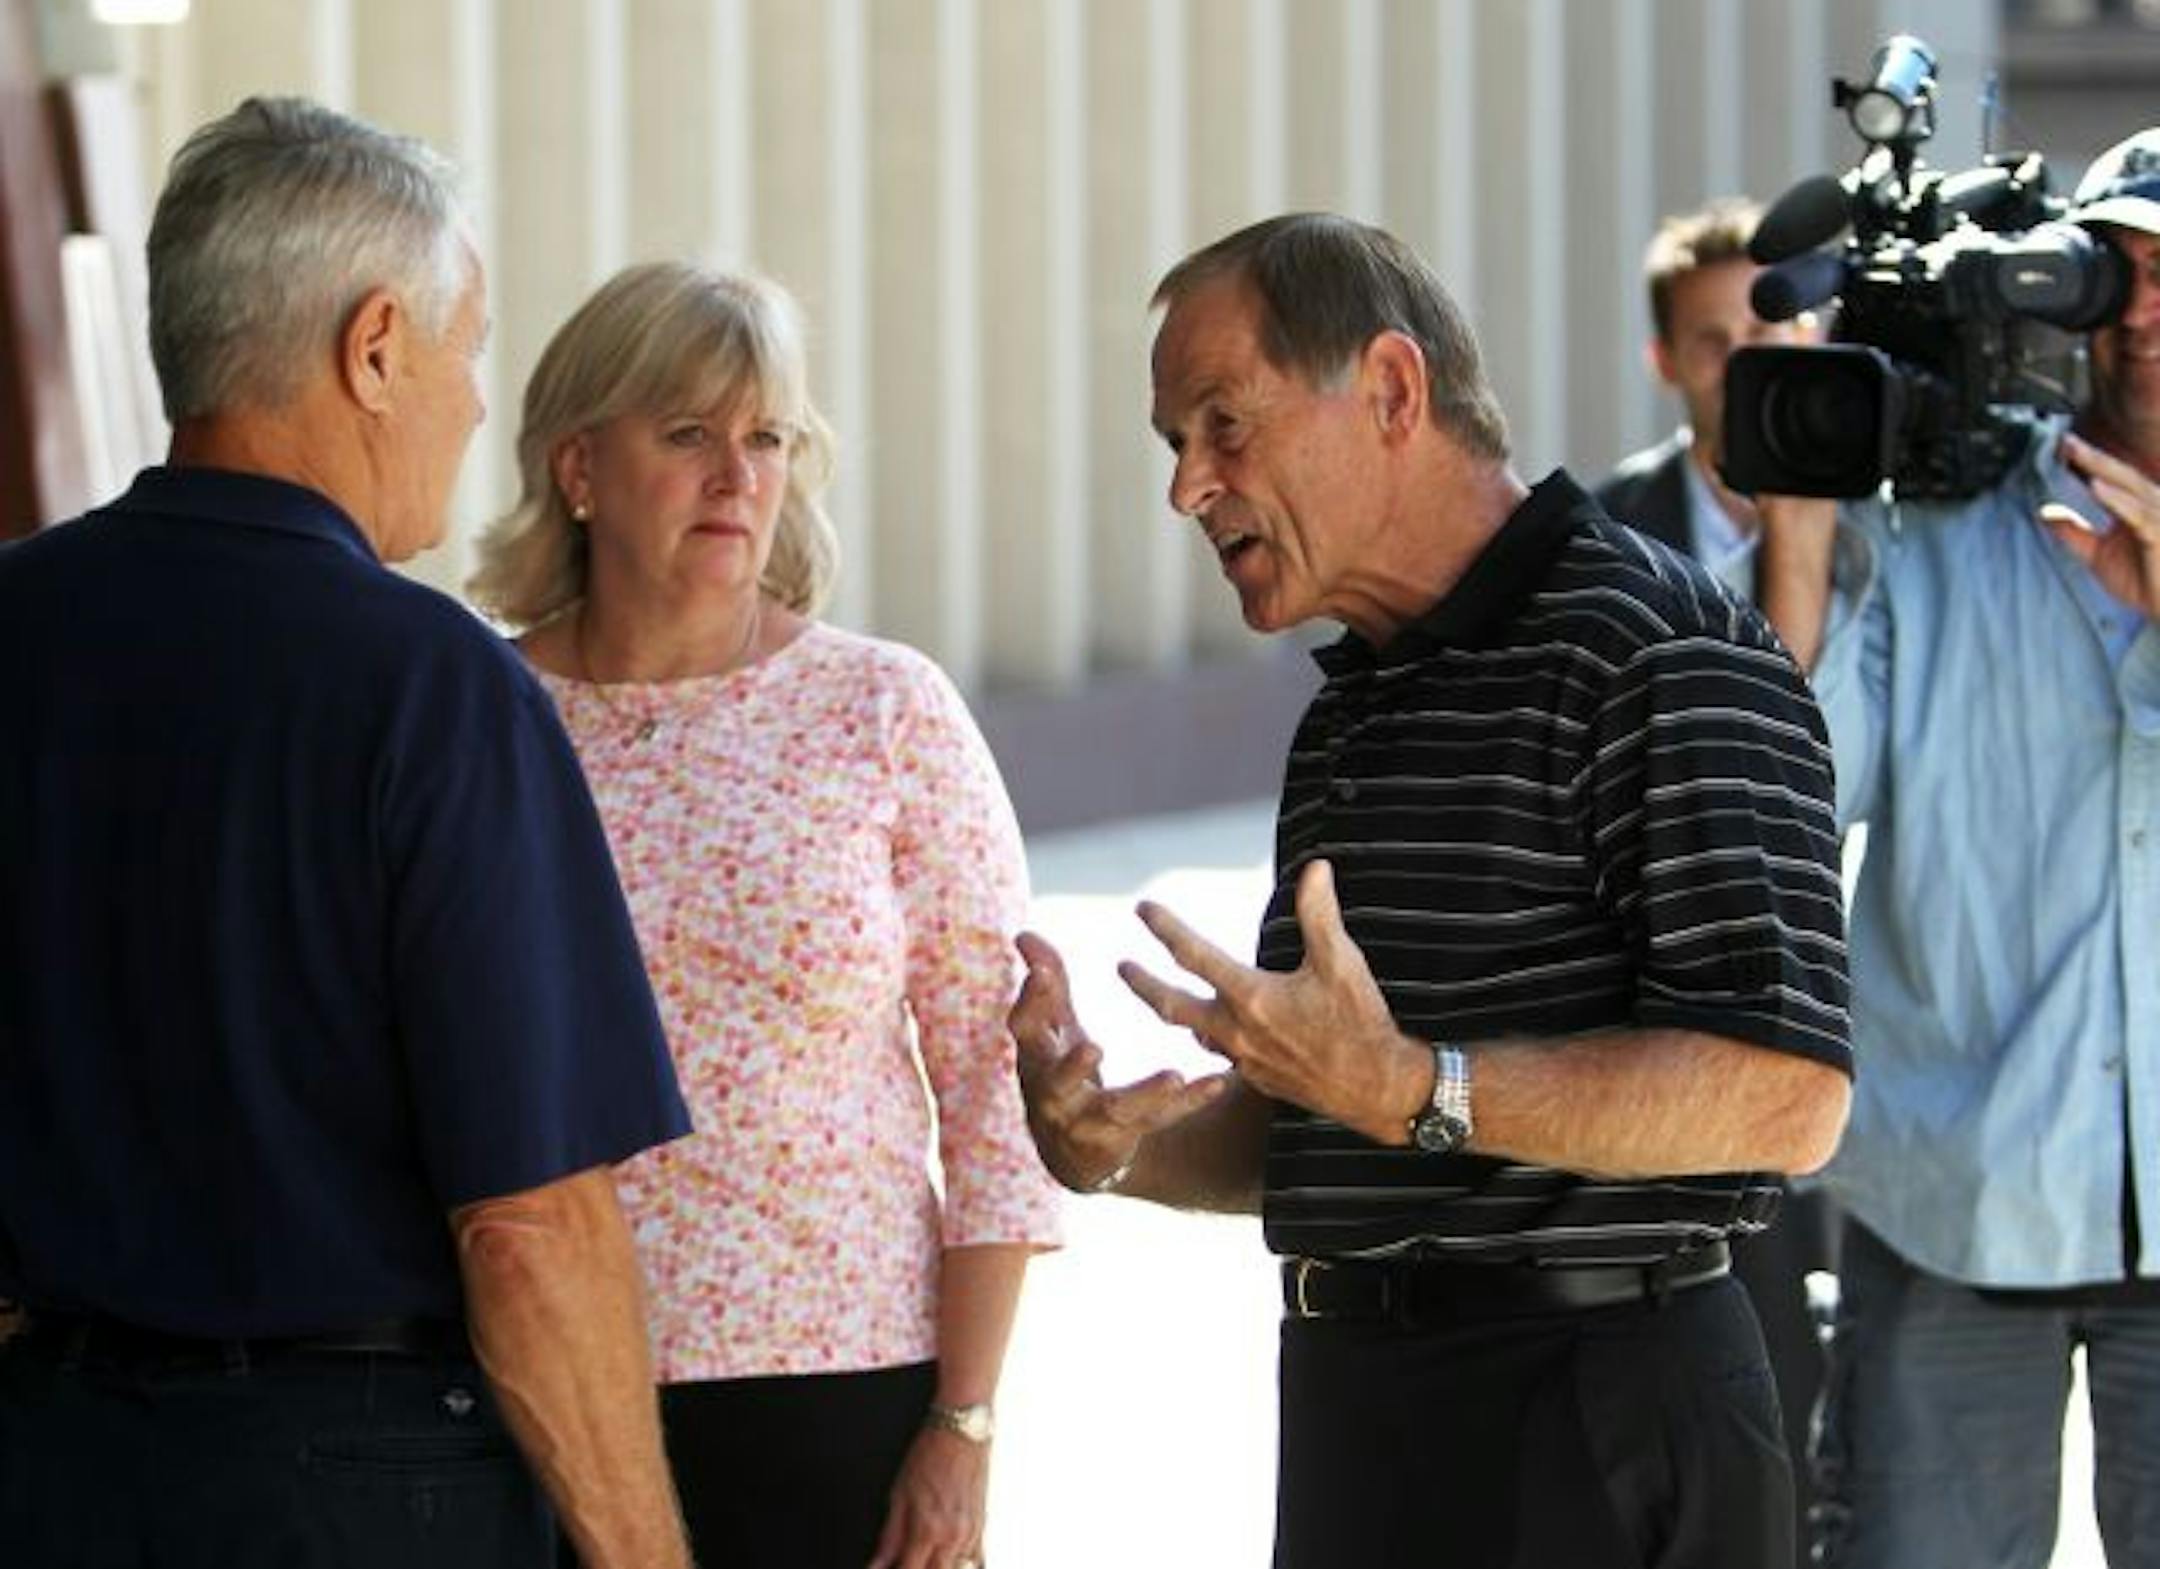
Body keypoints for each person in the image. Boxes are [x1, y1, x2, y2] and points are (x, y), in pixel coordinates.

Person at [1012, 212, 1853, 1569]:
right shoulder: (1355, 705)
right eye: (1175, 444)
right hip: (1362, 1406)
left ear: (1393, 391)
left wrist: (1421, 1082)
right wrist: (1115, 1148)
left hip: (1596, 1414)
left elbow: (1787, 1093)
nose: (1189, 488)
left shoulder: (1665, 650)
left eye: (1226, 426)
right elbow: (1338, 1122)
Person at [0, 98, 692, 1568]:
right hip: (361, 1484)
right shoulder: (431, 685)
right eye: (467, 348)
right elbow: (531, 1226)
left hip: (42, 1457)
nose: (470, 404)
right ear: (376, 347)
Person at [467, 260, 1062, 1569]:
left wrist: (965, 1421)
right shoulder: (480, 719)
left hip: (844, 1383)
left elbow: (989, 1081)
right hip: (535, 1379)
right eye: (688, 435)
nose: (737, 474)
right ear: (578, 467)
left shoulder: (886, 711)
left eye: (766, 437)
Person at [1755, 128, 2160, 1569]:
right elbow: (1796, 794)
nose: (2151, 316)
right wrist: (1797, 535)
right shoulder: (1936, 533)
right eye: (2128, 273)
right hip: (1949, 1210)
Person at [1596, 196, 1842, 1565]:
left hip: (1847, 1037)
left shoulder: (1885, 520)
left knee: (1814, 1425)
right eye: (1710, 341)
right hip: (1669, 1034)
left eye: (1771, 328)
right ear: (1664, 362)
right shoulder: (1601, 534)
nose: (1745, 364)